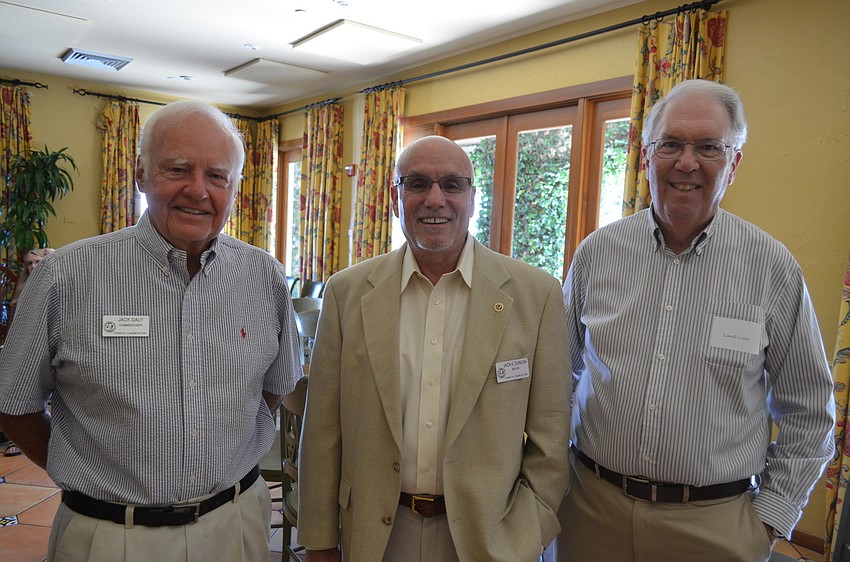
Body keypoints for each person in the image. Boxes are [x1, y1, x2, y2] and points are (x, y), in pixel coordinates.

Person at [0, 100, 303, 562]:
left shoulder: (263, 276)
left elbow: (274, 389)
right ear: (141, 174)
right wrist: (92, 473)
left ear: (235, 187)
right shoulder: (66, 275)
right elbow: (14, 405)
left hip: (235, 527)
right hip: (109, 536)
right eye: (177, 169)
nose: (198, 190)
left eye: (217, 176)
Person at [557, 79, 835, 562]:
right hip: (588, 512)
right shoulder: (596, 254)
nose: (687, 162)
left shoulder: (773, 268)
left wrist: (769, 518)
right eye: (670, 144)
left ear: (734, 163)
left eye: (708, 147)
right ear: (646, 158)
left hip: (715, 527)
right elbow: (558, 375)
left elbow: (809, 410)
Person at [298, 135, 571, 562]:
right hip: (375, 535)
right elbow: (322, 431)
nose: (435, 199)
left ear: (473, 198)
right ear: (395, 197)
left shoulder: (536, 296)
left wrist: (526, 532)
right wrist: (318, 541)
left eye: (452, 185)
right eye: (418, 183)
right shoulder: (347, 293)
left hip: (489, 538)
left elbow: (551, 436)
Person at [2, 247, 54, 457]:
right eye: (29, 264)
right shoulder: (23, 290)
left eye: (37, 262)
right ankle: (14, 438)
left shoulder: (53, 283)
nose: (33, 266)